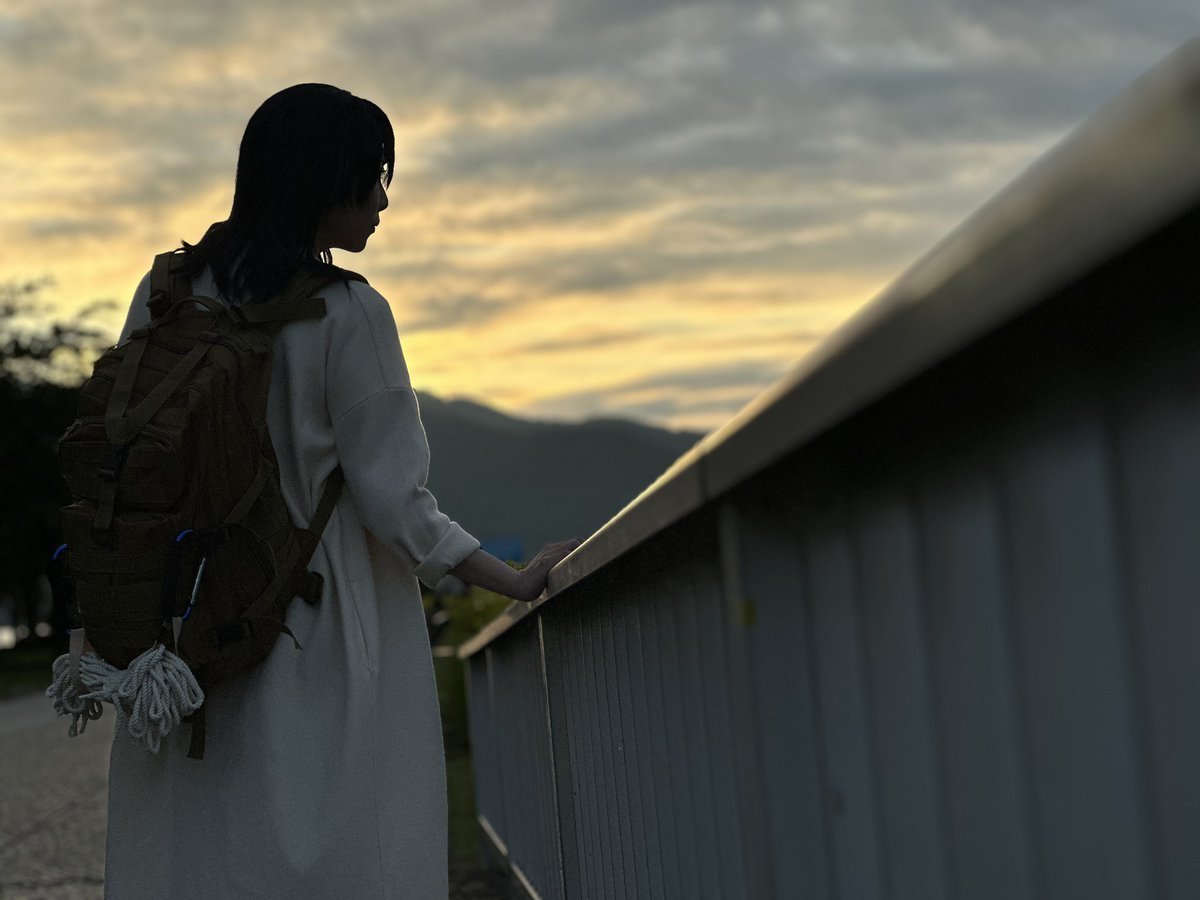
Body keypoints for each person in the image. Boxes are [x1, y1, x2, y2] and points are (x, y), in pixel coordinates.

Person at [105, 83, 580, 899]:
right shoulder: (348, 312)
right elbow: (396, 501)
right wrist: (511, 580)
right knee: (343, 842)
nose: (383, 202)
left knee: (204, 845)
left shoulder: (165, 294)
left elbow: (126, 454)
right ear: (324, 180)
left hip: (184, 625)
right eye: (373, 178)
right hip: (315, 620)